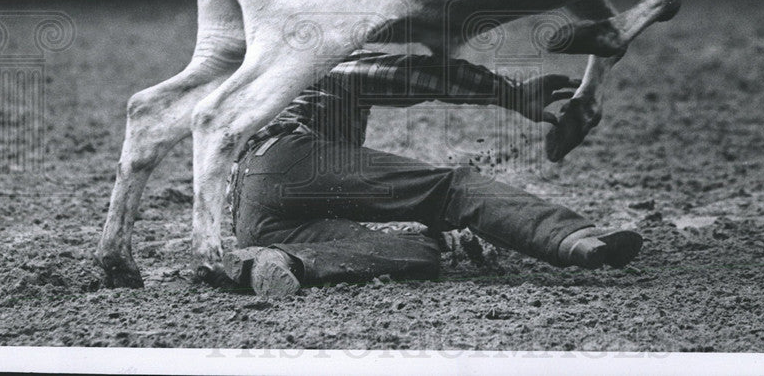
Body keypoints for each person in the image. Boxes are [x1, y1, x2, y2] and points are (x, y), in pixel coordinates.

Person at [225, 49, 642, 298]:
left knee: (418, 255)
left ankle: (281, 262)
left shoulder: (262, 73)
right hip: (287, 159)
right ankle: (570, 238)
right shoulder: (327, 59)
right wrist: (509, 92)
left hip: (249, 216)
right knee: (450, 189)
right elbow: (415, 76)